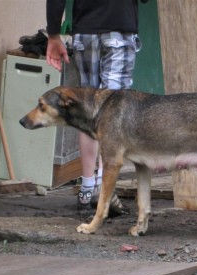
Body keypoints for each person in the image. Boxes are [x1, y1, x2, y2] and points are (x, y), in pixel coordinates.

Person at [45, 0, 148, 213]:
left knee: (88, 113)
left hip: (86, 34)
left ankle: (86, 188)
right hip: (119, 31)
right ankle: (103, 191)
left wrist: (53, 35)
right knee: (113, 114)